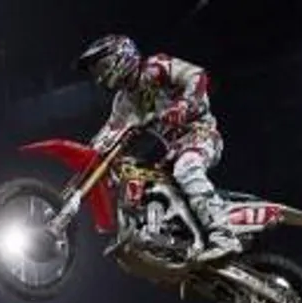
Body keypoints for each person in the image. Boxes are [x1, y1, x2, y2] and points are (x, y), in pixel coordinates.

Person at [76, 35, 241, 260]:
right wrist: (89, 155)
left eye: (103, 66)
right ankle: (164, 236)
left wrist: (183, 105)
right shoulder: (123, 102)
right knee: (142, 181)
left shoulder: (155, 67)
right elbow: (110, 131)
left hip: (200, 134)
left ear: (123, 56)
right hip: (172, 151)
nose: (100, 75)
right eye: (97, 71)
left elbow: (196, 75)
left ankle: (224, 235)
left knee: (186, 168)